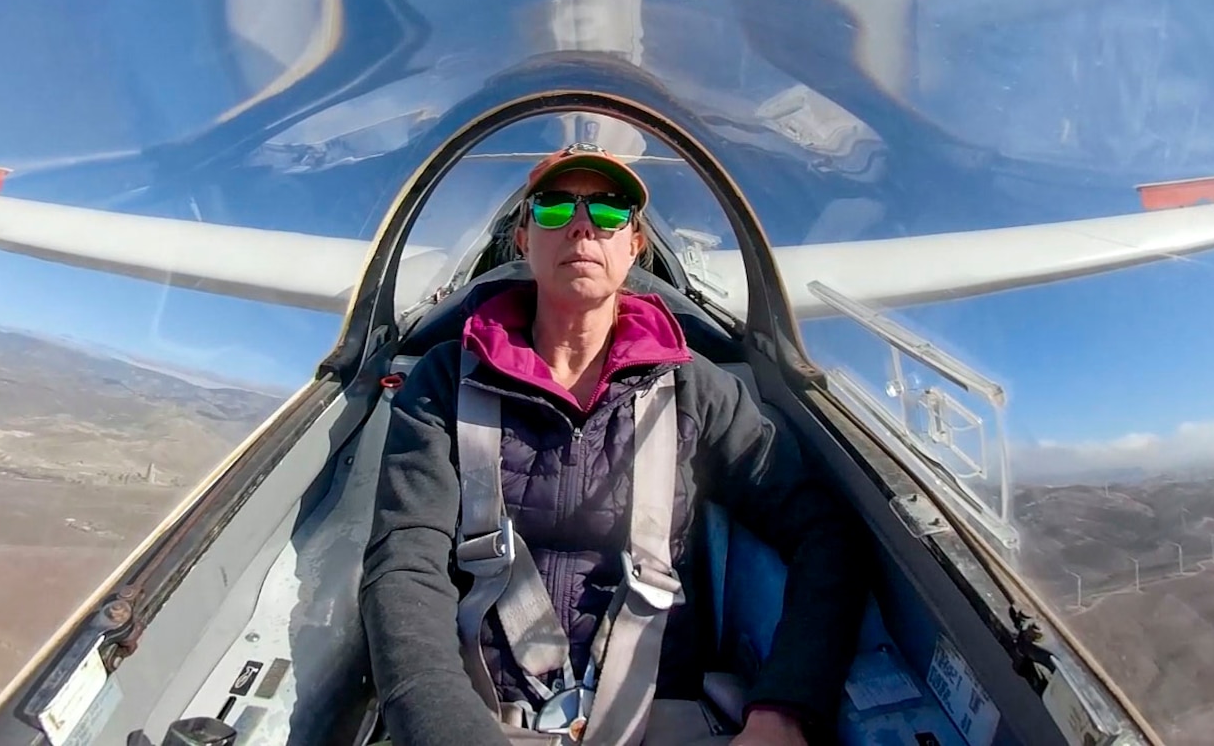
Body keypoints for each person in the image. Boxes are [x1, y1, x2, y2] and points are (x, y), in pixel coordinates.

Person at [360, 143, 866, 746]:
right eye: (552, 208)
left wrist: (784, 709)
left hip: (660, 716)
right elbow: (405, 562)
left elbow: (824, 531)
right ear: (523, 238)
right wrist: (444, 727)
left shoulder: (696, 389)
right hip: (481, 713)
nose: (580, 226)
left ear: (634, 245)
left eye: (607, 212)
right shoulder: (446, 379)